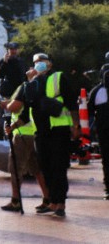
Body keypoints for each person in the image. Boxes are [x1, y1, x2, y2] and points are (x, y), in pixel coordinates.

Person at [23, 52, 81, 217]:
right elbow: (29, 101)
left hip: (59, 128)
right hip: (41, 131)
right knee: (45, 166)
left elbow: (71, 102)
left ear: (50, 63)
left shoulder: (58, 77)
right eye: (36, 62)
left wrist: (76, 125)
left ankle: (60, 203)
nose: (39, 63)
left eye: (42, 61)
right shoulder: (32, 82)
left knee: (59, 166)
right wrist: (29, 81)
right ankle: (52, 201)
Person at [0, 68, 49, 212]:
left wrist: (7, 105)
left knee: (15, 167)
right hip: (34, 133)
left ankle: (15, 200)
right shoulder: (41, 88)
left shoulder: (25, 87)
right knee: (37, 169)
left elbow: (16, 106)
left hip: (22, 133)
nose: (28, 69)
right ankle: (47, 198)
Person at [86, 63, 109, 199]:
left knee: (106, 159)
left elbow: (89, 110)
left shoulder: (97, 90)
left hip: (103, 130)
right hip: (103, 130)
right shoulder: (97, 91)